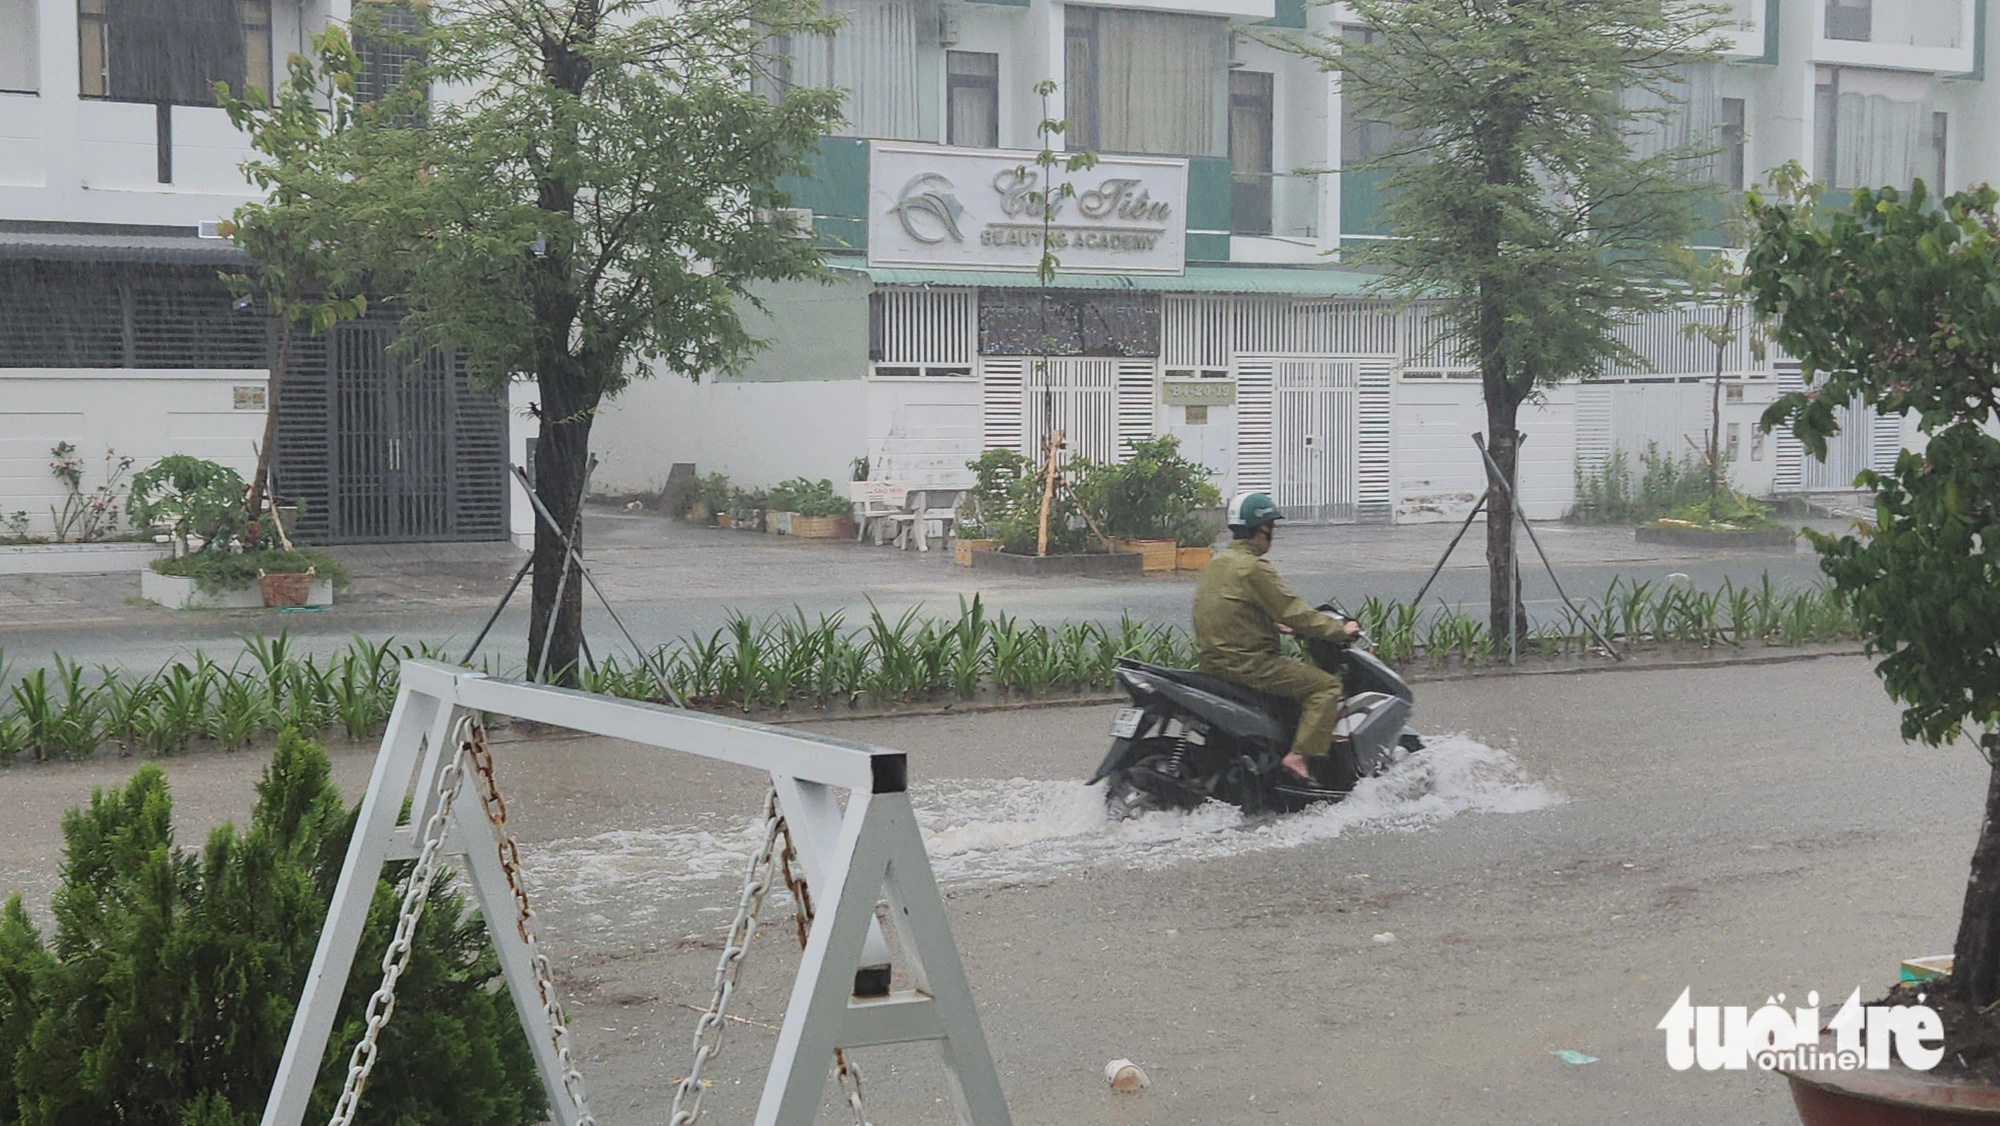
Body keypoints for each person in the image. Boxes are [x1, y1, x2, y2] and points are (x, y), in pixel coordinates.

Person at [1192, 492, 1362, 782]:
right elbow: (1294, 611)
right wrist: (1339, 629)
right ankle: (1298, 756)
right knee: (1325, 688)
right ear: (1262, 529)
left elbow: (1233, 608)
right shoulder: (1254, 568)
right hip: (1250, 664)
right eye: (1271, 529)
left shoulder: (1217, 563)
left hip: (1214, 664)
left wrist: (1272, 622)